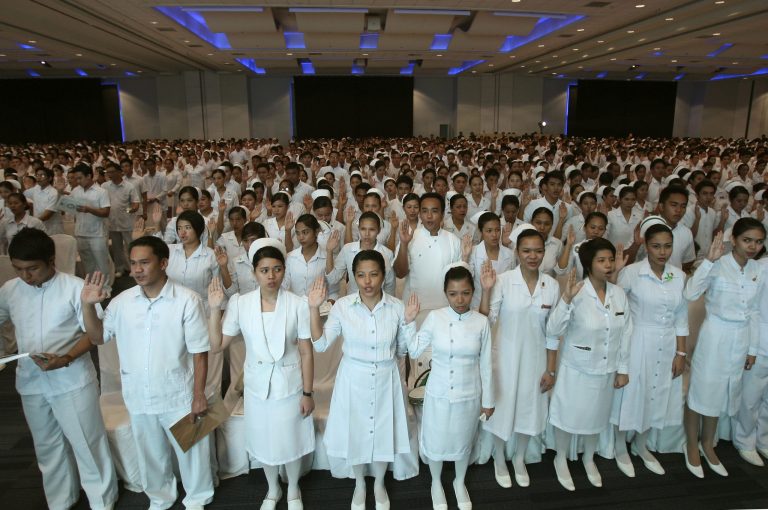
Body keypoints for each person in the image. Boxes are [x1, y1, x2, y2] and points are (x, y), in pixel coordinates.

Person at [81, 236, 214, 510]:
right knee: (150, 451)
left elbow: (200, 353)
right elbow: (97, 338)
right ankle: (160, 497)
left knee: (192, 450)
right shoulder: (121, 302)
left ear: (163, 263)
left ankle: (197, 498)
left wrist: (199, 395)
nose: (137, 270)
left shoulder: (187, 301)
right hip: (138, 392)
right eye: (133, 264)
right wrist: (87, 306)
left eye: (144, 262)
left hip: (178, 391)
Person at [0, 228, 117, 510]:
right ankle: (61, 500)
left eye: (32, 269)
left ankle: (102, 500)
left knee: (87, 442)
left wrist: (65, 358)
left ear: (51, 261)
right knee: (47, 445)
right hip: (30, 380)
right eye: (19, 269)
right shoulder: (10, 290)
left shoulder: (75, 288)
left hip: (71, 378)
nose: (26, 276)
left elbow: (95, 334)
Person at [207, 238, 315, 510]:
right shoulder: (240, 304)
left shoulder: (297, 303)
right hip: (257, 385)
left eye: (277, 269)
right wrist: (213, 309)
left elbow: (305, 352)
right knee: (263, 439)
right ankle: (272, 488)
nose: (271, 276)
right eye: (264, 270)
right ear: (254, 272)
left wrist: (308, 392)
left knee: (290, 438)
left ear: (284, 271)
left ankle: (292, 489)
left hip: (290, 383)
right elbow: (218, 345)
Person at [308, 251, 420, 510]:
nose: (367, 281)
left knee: (383, 431)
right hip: (353, 378)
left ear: (384, 275)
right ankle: (359, 482)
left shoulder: (396, 307)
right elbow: (321, 344)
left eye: (374, 274)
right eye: (360, 275)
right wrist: (314, 308)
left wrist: (411, 323)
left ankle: (379, 482)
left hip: (386, 376)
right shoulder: (344, 307)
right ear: (353, 276)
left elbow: (403, 349)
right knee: (356, 432)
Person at [546, 238, 632, 491]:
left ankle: (589, 458)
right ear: (588, 263)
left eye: (610, 260)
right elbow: (553, 330)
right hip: (577, 367)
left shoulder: (619, 294)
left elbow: (626, 332)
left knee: (597, 415)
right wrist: (566, 300)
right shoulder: (576, 291)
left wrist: (623, 369)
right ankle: (560, 458)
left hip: (607, 368)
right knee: (567, 414)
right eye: (601, 260)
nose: (608, 265)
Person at [683, 218, 766, 477]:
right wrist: (708, 260)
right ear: (735, 239)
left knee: (723, 393)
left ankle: (708, 444)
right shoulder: (718, 264)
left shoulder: (758, 269)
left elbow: (754, 311)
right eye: (747, 240)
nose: (752, 246)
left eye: (759, 242)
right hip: (715, 335)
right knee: (702, 391)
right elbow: (690, 293)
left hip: (741, 338)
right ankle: (691, 446)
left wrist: (752, 348)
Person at [479, 226, 560, 488]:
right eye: (526, 250)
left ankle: (520, 458)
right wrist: (486, 290)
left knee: (530, 409)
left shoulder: (552, 286)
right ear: (517, 252)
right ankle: (500, 458)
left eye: (538, 251)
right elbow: (485, 320)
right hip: (505, 358)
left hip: (536, 360)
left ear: (544, 253)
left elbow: (553, 331)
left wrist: (551, 369)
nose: (532, 256)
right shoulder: (503, 280)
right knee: (502, 410)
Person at [409, 263, 494, 510]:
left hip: (469, 393)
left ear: (473, 292)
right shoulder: (435, 318)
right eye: (454, 293)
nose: (460, 299)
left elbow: (486, 364)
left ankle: (459, 481)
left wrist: (488, 401)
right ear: (445, 293)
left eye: (466, 293)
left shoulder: (481, 322)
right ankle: (436, 482)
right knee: (436, 440)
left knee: (463, 439)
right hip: (439, 392)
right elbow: (414, 349)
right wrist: (409, 321)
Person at [610, 218, 688, 477]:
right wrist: (616, 274)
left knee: (656, 393)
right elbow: (614, 304)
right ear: (647, 246)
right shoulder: (633, 272)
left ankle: (642, 445)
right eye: (656, 246)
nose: (662, 252)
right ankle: (621, 445)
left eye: (667, 246)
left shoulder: (678, 276)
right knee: (632, 393)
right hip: (637, 339)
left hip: (666, 344)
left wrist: (681, 353)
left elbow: (681, 317)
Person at [167, 210, 231, 399]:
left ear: (198, 230)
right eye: (179, 228)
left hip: (205, 314)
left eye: (187, 228)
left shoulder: (210, 255)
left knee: (208, 361)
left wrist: (224, 266)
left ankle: (211, 403)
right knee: (181, 361)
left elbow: (224, 289)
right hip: (174, 314)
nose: (182, 233)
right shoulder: (170, 252)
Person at [734, 251, 768, 466]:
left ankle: (763, 438)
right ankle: (745, 440)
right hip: (761, 338)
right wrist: (752, 347)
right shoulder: (760, 268)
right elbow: (752, 309)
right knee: (751, 396)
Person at [326, 211, 396, 296]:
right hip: (352, 302)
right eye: (363, 229)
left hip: (377, 302)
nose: (367, 234)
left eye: (372, 229)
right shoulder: (348, 249)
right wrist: (329, 251)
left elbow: (389, 286)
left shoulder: (387, 254)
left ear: (379, 230)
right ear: (358, 229)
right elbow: (332, 279)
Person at [70, 164, 112, 293]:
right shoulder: (75, 191)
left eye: (80, 178)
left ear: (89, 176)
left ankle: (105, 288)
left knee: (101, 263)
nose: (78, 181)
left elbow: (106, 212)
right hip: (81, 231)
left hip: (97, 233)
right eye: (76, 179)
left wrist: (89, 209)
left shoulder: (101, 192)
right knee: (87, 262)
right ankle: (93, 285)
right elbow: (71, 210)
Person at [283, 213, 338, 300]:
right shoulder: (290, 257)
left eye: (305, 232)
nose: (301, 237)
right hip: (295, 308)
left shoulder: (327, 257)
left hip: (321, 309)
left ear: (316, 232)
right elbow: (284, 285)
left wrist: (330, 303)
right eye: (298, 233)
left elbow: (334, 289)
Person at [466, 212, 514, 310]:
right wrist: (465, 257)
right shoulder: (473, 252)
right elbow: (467, 281)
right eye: (489, 231)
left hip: (503, 306)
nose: (494, 235)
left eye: (497, 230)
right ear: (481, 232)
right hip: (478, 305)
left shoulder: (509, 254)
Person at [103, 162, 140, 278]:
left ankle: (133, 268)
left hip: (127, 221)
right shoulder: (104, 186)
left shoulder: (129, 186)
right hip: (112, 222)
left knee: (130, 246)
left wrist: (130, 210)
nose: (109, 174)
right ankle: (120, 268)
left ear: (120, 172)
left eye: (112, 172)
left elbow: (136, 203)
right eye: (108, 172)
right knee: (116, 247)